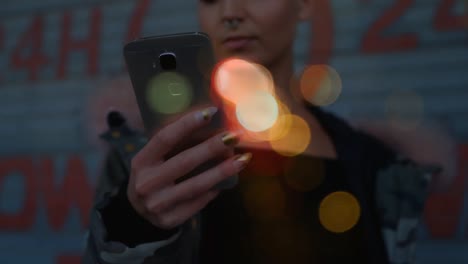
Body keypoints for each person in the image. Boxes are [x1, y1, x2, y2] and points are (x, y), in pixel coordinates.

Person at [83, 0, 453, 263]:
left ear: (305, 4)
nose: (230, 13)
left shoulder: (371, 160)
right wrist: (135, 224)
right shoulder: (145, 158)